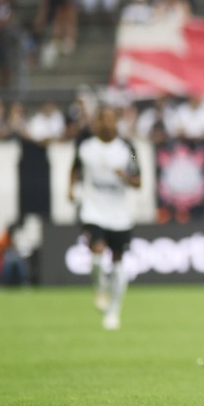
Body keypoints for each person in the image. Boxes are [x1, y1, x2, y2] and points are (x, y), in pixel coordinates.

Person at [68, 107, 141, 330]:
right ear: (96, 124)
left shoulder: (128, 148)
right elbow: (74, 168)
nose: (107, 124)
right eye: (102, 120)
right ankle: (100, 288)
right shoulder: (85, 147)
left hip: (119, 214)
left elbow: (138, 179)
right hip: (93, 210)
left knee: (118, 264)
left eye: (111, 120)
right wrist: (70, 189)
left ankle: (113, 311)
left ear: (116, 123)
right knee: (97, 253)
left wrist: (125, 176)